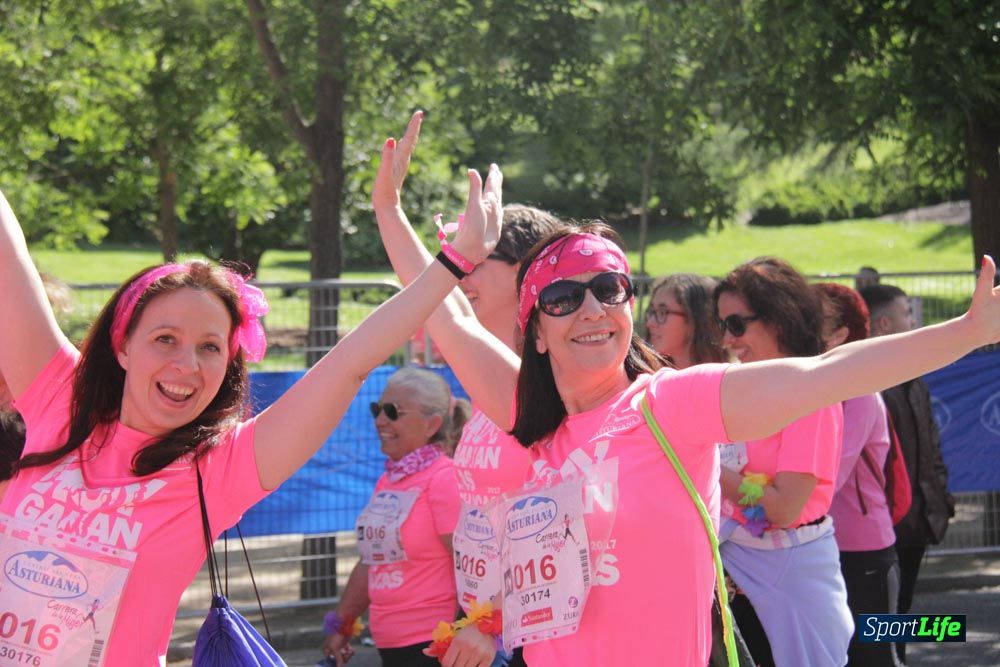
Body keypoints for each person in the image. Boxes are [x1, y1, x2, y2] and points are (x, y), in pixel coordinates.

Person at [364, 211, 1000, 666]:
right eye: (562, 299)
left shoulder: (671, 405)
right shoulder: (530, 419)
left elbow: (825, 373)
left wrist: (965, 333)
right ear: (535, 330)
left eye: (607, 290)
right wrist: (389, 212)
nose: (590, 310)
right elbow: (445, 314)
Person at [0, 163, 502, 667]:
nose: (187, 366)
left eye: (210, 347)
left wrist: (452, 263)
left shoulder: (222, 468)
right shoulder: (59, 399)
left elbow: (351, 363)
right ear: (123, 345)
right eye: (165, 339)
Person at [372, 110, 560, 667]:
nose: (461, 273)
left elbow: (571, 524)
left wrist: (496, 619)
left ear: (529, 271)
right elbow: (439, 297)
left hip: (535, 633)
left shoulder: (546, 386)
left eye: (480, 257)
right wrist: (387, 206)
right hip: (498, 633)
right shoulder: (487, 383)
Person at [713, 258, 851, 667]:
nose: (726, 340)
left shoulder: (811, 396)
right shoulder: (742, 385)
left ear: (778, 319)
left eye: (736, 325)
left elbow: (783, 507)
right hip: (742, 559)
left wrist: (714, 475)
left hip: (794, 566)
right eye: (721, 326)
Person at [321, 367, 468, 666]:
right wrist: (342, 626)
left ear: (432, 424)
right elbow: (370, 562)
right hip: (391, 646)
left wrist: (466, 634)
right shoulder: (390, 480)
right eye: (377, 409)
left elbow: (470, 563)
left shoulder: (444, 478)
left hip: (435, 647)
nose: (380, 420)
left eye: (393, 411)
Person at [860, 283, 955, 662]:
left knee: (900, 611)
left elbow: (930, 448)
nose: (914, 321)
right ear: (883, 323)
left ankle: (897, 655)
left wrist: (940, 500)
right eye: (907, 313)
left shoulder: (915, 380)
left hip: (916, 521)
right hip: (880, 528)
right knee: (879, 616)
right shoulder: (867, 385)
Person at [817, 282, 901, 667]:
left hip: (866, 549)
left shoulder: (862, 393)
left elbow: (828, 473)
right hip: (825, 545)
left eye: (814, 319)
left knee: (876, 653)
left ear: (841, 334)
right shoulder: (822, 389)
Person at [645, 273, 729, 367]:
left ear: (693, 320)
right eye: (652, 311)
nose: (650, 323)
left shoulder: (730, 378)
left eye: (662, 312)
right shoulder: (649, 378)